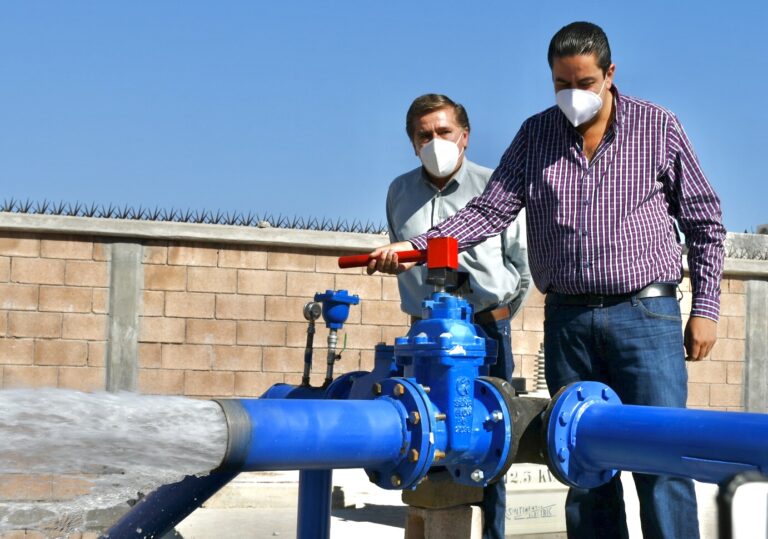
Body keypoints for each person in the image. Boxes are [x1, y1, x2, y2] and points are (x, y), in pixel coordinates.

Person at [367, 22, 725, 539]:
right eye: (561, 84)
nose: (572, 95)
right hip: (570, 321)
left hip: (645, 316)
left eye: (583, 82)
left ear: (609, 74)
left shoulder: (658, 127)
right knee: (581, 461)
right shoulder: (537, 135)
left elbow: (704, 223)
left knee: (661, 459)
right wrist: (418, 246)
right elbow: (489, 210)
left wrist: (706, 309)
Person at [381, 93, 531, 539]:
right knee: (427, 435)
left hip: (485, 327)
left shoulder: (494, 188)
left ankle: (493, 532)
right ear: (412, 143)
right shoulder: (399, 192)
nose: (435, 142)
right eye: (424, 135)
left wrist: (496, 315)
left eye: (444, 132)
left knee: (495, 438)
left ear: (464, 136)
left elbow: (522, 267)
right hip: (424, 337)